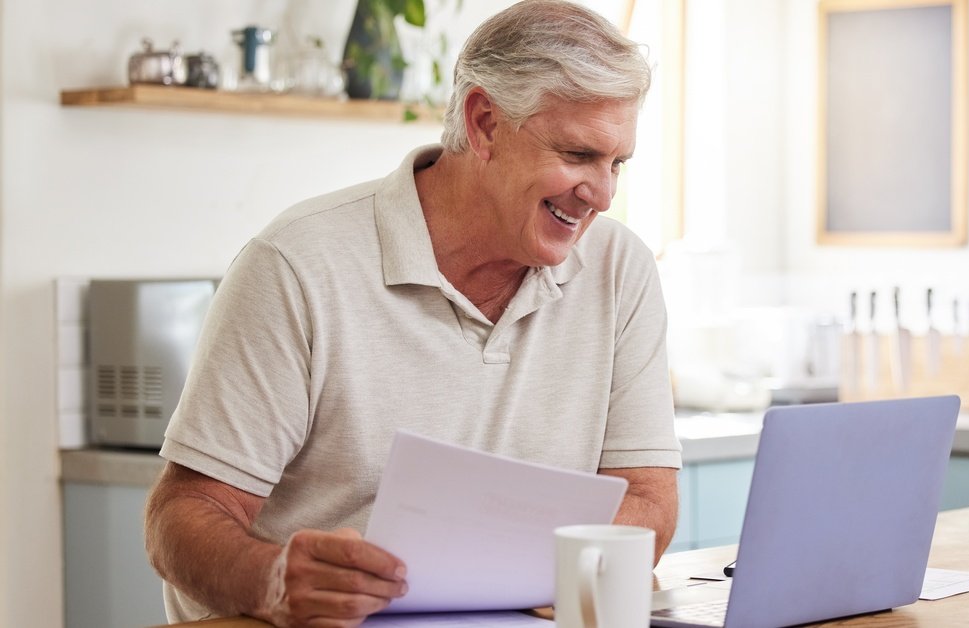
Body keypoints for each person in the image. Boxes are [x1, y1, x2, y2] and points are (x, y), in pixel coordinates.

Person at [143, 1, 682, 626]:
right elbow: (180, 515)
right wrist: (272, 581)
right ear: (484, 123)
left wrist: (547, 570)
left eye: (617, 163)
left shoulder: (621, 268)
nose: (603, 195)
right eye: (578, 154)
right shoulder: (298, 264)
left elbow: (648, 499)